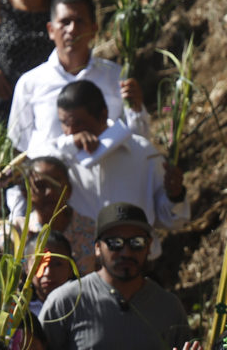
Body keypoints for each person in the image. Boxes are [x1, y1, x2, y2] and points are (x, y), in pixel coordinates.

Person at [8, 0, 149, 158]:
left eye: (80, 22)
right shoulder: (30, 83)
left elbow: (138, 140)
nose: (72, 29)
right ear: (51, 30)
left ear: (94, 29)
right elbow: (19, 147)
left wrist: (137, 110)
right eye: (65, 22)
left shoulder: (116, 77)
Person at [40, 202, 195, 350]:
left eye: (137, 242)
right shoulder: (65, 303)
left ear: (149, 246)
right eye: (115, 242)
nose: (126, 252)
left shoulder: (169, 307)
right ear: (98, 248)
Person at [45, 81, 188, 237]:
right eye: (64, 123)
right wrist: (70, 145)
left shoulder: (141, 152)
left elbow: (171, 219)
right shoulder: (61, 157)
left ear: (103, 115)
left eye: (78, 123)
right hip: (84, 260)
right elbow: (31, 166)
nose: (70, 131)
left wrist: (175, 195)